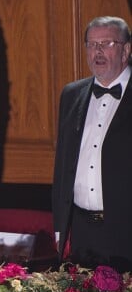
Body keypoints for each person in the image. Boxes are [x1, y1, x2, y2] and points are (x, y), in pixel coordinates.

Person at [53, 16, 132, 273]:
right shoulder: (71, 94)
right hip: (82, 232)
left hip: (124, 231)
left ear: (126, 50)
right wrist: (60, 230)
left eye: (106, 43)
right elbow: (62, 167)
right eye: (92, 44)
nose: (97, 51)